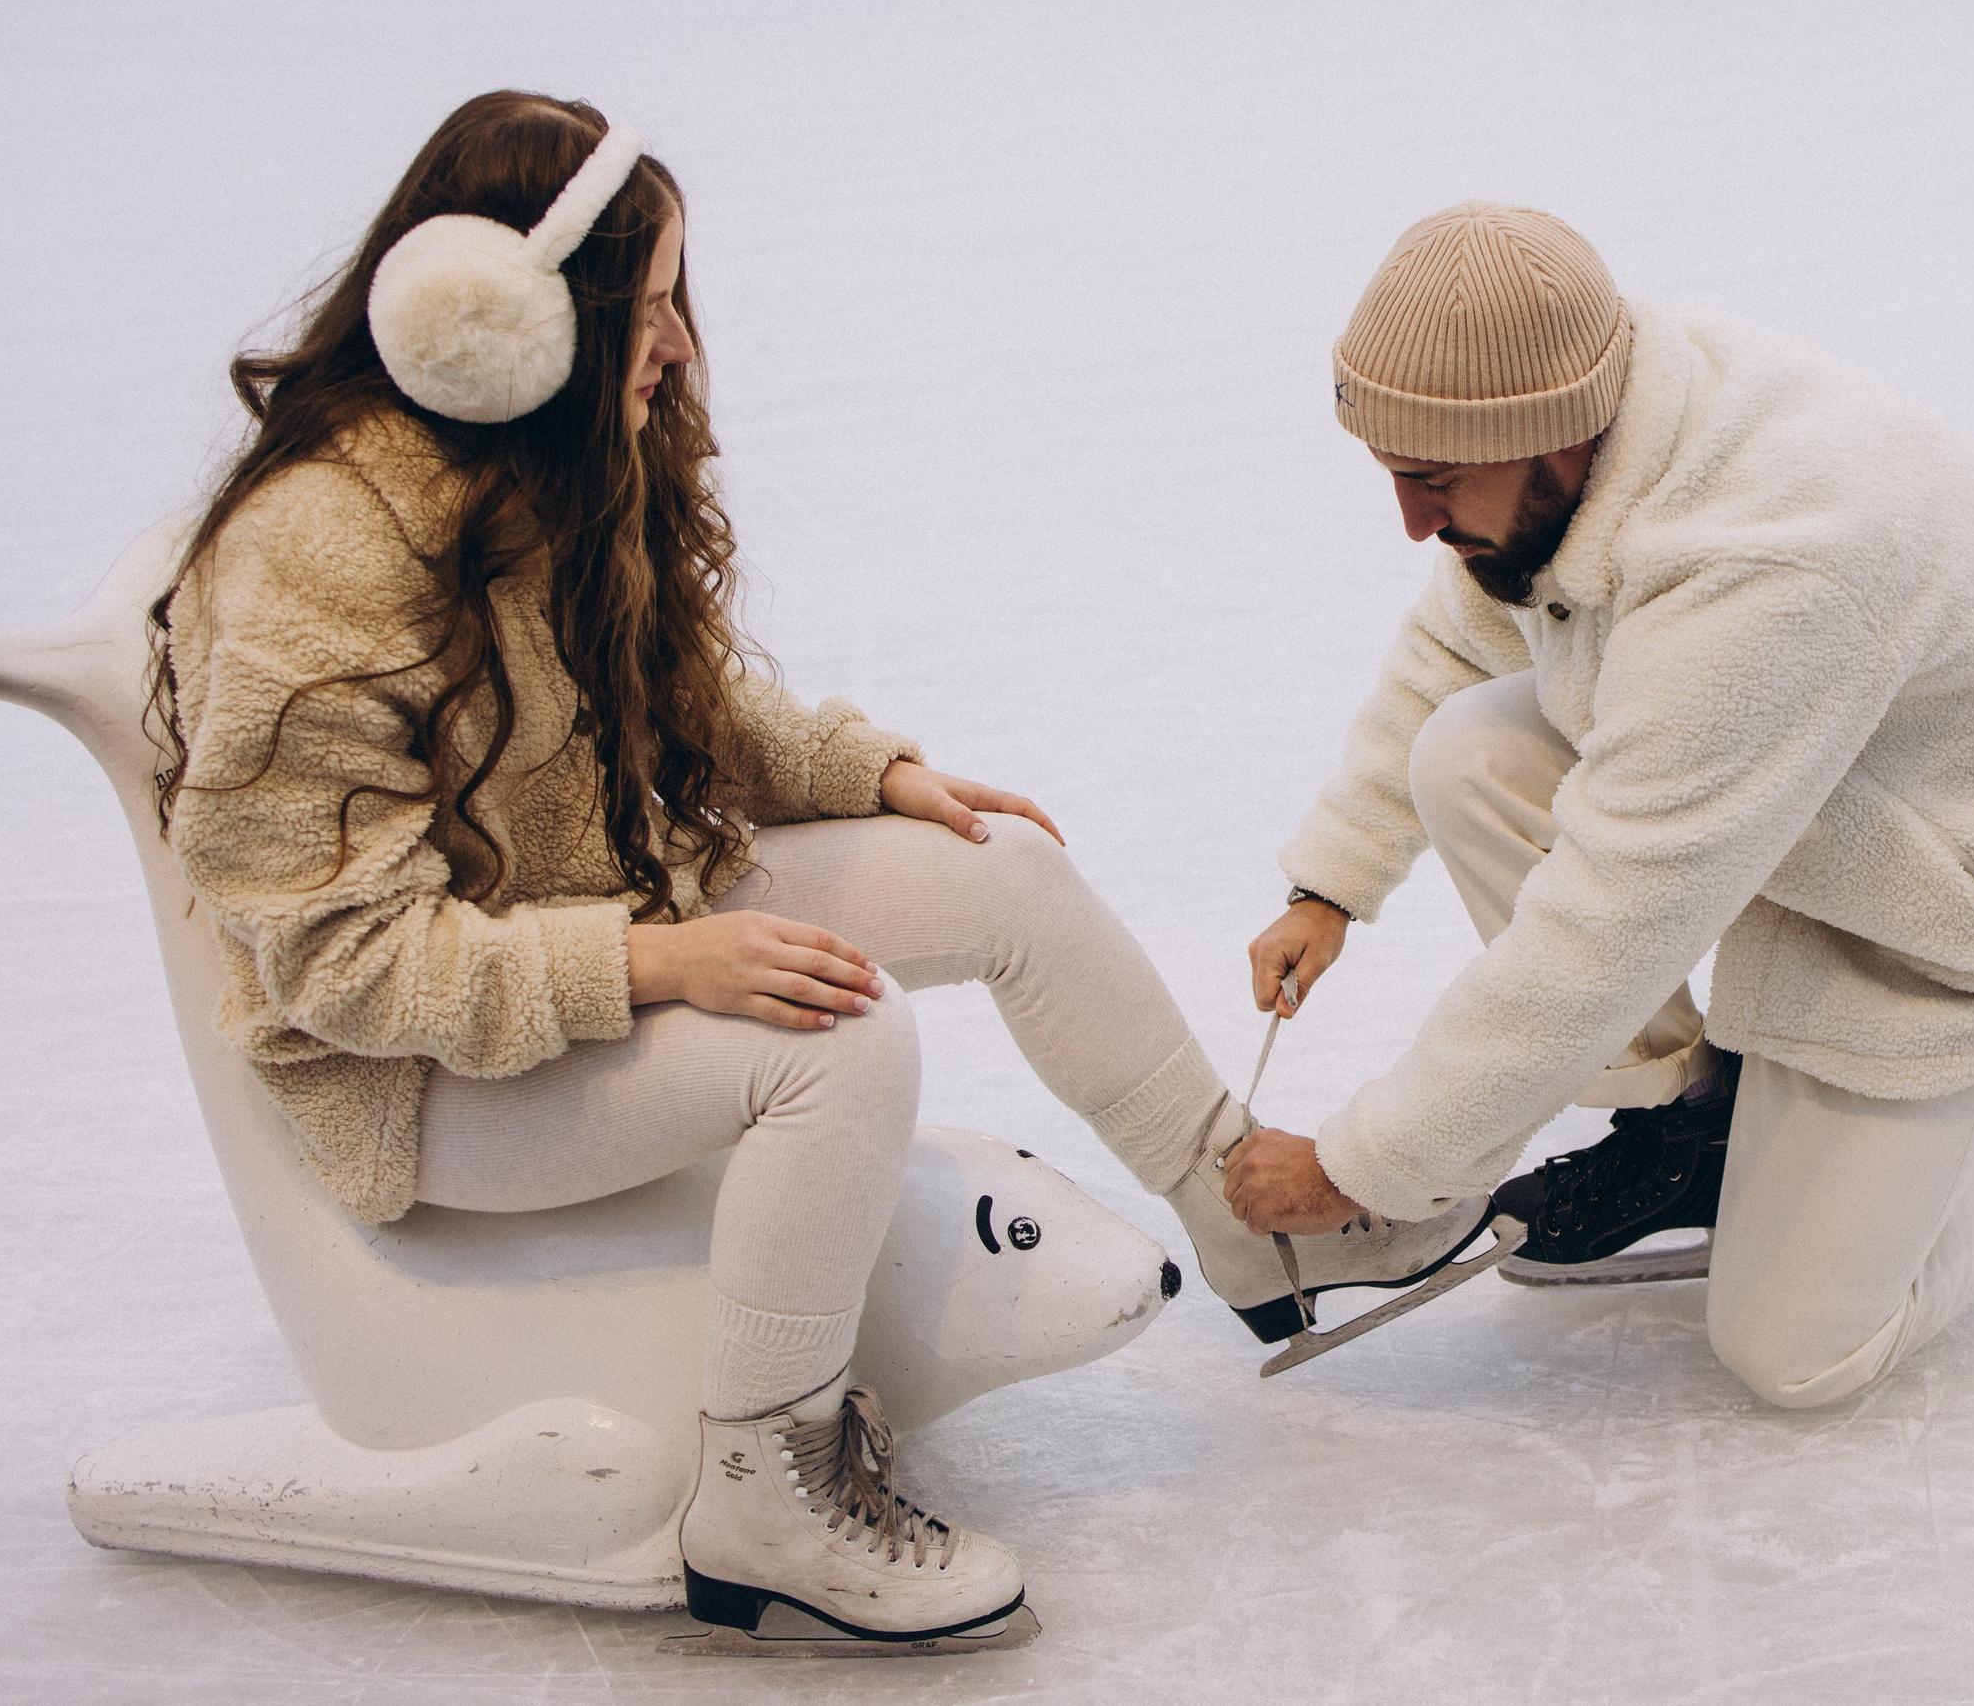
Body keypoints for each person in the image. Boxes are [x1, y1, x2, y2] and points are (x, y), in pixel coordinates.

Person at [146, 92, 1461, 1646]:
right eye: (648, 311)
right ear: (510, 331)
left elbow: (676, 691)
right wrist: (655, 963)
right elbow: (343, 966)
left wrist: (869, 774)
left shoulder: (558, 456)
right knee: (837, 1040)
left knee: (1003, 872)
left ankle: (1258, 1221)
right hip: (420, 1078)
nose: (681, 348)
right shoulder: (320, 554)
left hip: (586, 908)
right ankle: (765, 1491)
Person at [1229, 202, 1974, 1408]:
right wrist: (1331, 884)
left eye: (1432, 481)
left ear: (1552, 432)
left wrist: (1367, 1168)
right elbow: (1449, 646)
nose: (1412, 520)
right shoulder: (1587, 431)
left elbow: (1609, 922)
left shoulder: (1768, 563)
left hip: (1957, 899)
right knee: (1468, 748)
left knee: (1794, 1354)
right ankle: (1697, 1127)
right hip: (1803, 804)